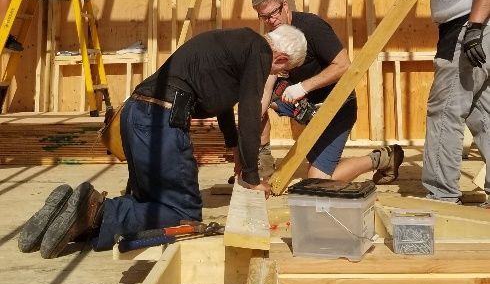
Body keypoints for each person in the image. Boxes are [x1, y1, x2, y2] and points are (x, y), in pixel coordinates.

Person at [18, 23, 307, 258]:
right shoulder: (259, 51)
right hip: (160, 122)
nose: (276, 73)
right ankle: (94, 210)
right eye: (281, 70)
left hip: (136, 114)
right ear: (281, 58)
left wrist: (234, 148)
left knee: (148, 201)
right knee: (182, 213)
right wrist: (253, 178)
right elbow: (250, 112)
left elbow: (223, 107)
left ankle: (69, 215)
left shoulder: (236, 43)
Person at [251, 0, 403, 184]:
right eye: (264, 17)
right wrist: (253, 119)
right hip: (305, 107)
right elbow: (267, 85)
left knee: (318, 179)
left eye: (274, 13)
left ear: (285, 6)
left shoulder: (312, 27)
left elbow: (344, 66)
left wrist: (302, 87)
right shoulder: (273, 37)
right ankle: (263, 160)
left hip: (336, 106)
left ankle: (383, 158)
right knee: (254, 96)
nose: (271, 21)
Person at [405, 0, 490, 204]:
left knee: (444, 110)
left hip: (466, 30)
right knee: (482, 113)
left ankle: (441, 195)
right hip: (471, 29)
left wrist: (475, 27)